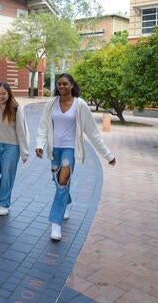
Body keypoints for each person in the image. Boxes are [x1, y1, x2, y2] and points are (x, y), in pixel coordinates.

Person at [35, 73, 116, 241]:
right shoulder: (51, 104)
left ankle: (55, 224)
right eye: (59, 84)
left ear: (72, 85)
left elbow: (93, 132)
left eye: (65, 84)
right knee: (59, 183)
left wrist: (108, 155)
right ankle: (67, 202)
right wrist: (39, 145)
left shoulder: (80, 105)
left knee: (63, 180)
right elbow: (43, 126)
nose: (62, 86)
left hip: (70, 149)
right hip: (54, 150)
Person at [0, 82, 29, 216]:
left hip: (12, 147)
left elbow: (22, 131)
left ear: (9, 94)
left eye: (4, 93)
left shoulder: (16, 109)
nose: (1, 96)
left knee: (7, 176)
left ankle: (4, 204)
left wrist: (24, 153)